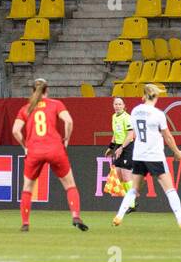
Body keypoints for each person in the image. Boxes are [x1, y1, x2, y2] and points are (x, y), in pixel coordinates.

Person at [11, 78, 89, 233]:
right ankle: (75, 216)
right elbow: (69, 121)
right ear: (47, 90)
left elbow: (15, 131)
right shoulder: (56, 104)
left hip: (34, 151)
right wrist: (66, 139)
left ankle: (25, 223)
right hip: (55, 149)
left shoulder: (26, 108)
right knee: (70, 185)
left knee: (27, 188)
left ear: (33, 91)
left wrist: (25, 145)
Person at [111, 84, 181, 229]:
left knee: (134, 188)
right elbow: (168, 136)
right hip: (155, 155)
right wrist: (177, 152)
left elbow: (134, 132)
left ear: (144, 95)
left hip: (139, 154)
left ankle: (119, 216)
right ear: (156, 96)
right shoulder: (158, 114)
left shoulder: (135, 111)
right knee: (169, 189)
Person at [106, 96, 135, 211]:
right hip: (119, 146)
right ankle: (128, 199)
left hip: (127, 147)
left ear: (124, 106)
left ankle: (131, 204)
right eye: (115, 104)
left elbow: (130, 135)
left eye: (119, 104)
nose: (117, 106)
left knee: (127, 176)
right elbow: (115, 134)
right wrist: (111, 147)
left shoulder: (127, 118)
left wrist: (122, 148)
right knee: (118, 174)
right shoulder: (114, 117)